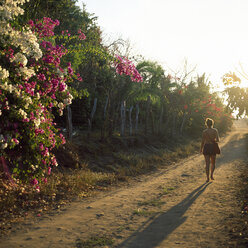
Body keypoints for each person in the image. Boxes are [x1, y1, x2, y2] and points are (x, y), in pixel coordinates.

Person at [200, 118, 220, 182]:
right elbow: (218, 140)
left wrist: (201, 149)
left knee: (207, 164)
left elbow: (203, 141)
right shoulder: (215, 130)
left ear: (206, 124)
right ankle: (211, 175)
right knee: (213, 163)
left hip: (206, 147)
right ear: (212, 124)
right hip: (213, 147)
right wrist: (214, 140)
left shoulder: (204, 132)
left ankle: (207, 178)